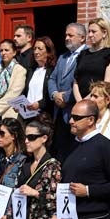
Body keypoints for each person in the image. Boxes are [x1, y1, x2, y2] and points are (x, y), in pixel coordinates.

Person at [48, 24, 86, 160]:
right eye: (66, 35)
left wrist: (66, 97)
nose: (67, 38)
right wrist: (54, 94)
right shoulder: (63, 57)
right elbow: (52, 78)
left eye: (71, 35)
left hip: (72, 110)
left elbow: (83, 83)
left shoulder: (86, 55)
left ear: (82, 38)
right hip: (58, 112)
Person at [73, 18, 110, 102]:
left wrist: (87, 100)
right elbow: (76, 80)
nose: (90, 35)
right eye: (89, 31)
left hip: (99, 101)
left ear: (104, 33)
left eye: (94, 32)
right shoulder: (83, 54)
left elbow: (107, 83)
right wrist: (79, 101)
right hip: (79, 102)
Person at [0, 39, 27, 123]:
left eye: (6, 50)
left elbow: (13, 94)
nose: (3, 53)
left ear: (14, 52)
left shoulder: (20, 70)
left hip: (8, 113)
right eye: (1, 50)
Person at [21, 37, 55, 119]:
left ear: (48, 52)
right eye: (35, 48)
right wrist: (20, 106)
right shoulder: (31, 70)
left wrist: (39, 104)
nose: (36, 52)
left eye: (40, 49)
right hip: (27, 115)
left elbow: (51, 94)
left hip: (43, 115)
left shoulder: (53, 71)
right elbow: (25, 92)